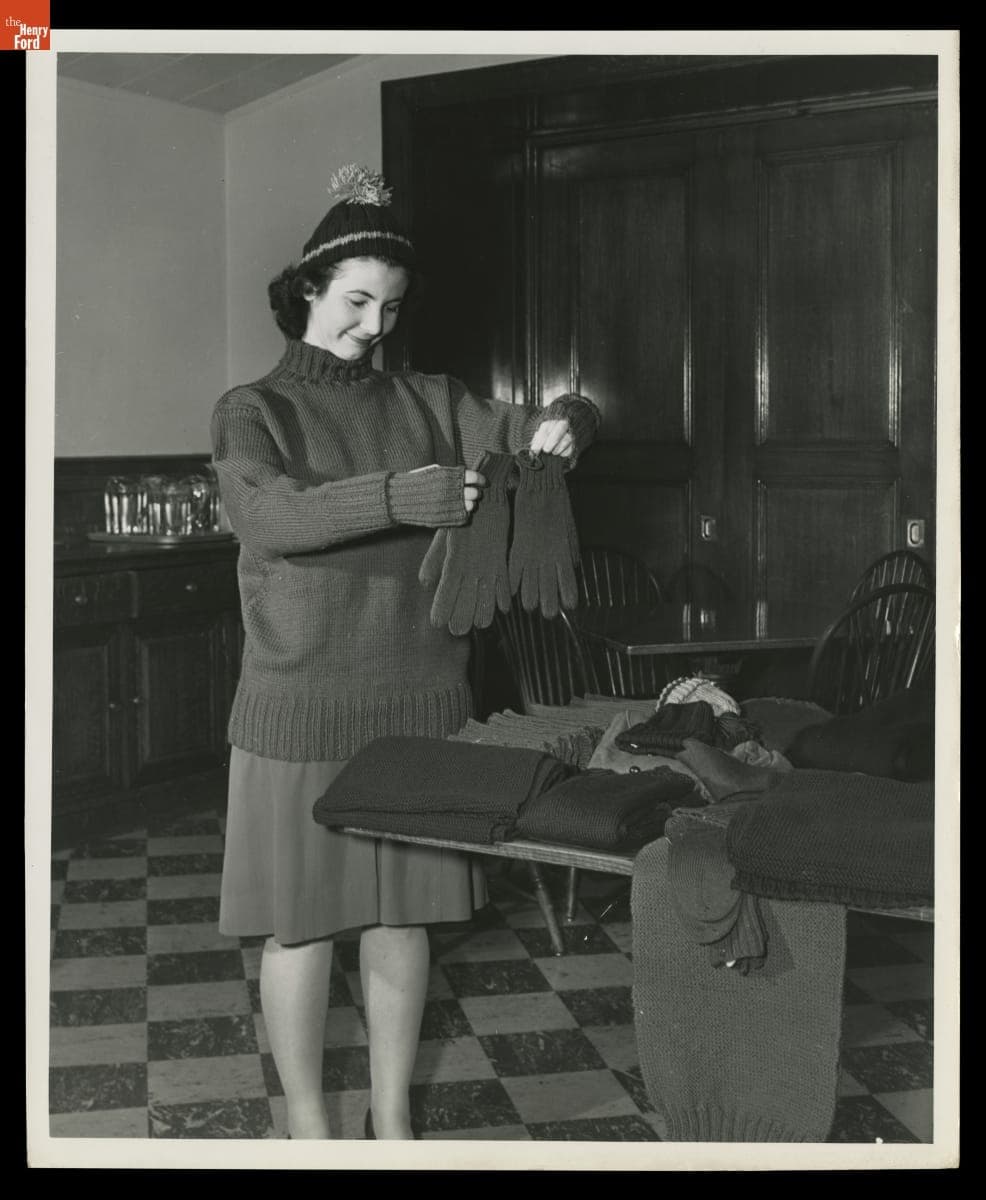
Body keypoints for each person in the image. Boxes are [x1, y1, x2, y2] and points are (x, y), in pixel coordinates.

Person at [210, 164, 600, 1141]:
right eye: (353, 301)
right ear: (305, 289)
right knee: (297, 932)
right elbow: (266, 514)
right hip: (297, 713)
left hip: (420, 706)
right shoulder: (252, 409)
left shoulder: (432, 398)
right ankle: (309, 1130)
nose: (371, 326)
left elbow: (548, 422)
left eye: (387, 307)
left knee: (401, 925)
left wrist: (570, 420)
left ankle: (391, 1128)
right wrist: (397, 495)